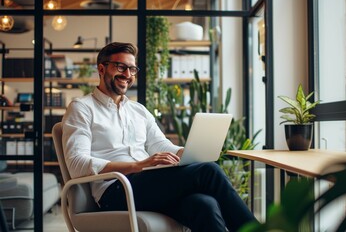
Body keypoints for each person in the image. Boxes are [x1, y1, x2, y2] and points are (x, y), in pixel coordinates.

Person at [62, 42, 257, 232]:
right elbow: (77, 164)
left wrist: (187, 153)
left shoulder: (138, 110)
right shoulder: (82, 108)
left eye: (132, 69)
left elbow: (160, 144)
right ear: (102, 69)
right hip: (115, 190)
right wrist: (136, 166)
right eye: (120, 67)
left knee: (204, 205)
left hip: (146, 186)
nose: (127, 75)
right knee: (209, 171)